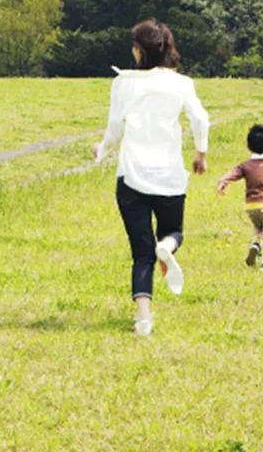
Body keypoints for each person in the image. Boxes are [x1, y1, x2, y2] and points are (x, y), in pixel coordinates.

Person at [94, 19, 210, 337]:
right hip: (170, 176)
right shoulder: (182, 83)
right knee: (173, 232)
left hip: (132, 177)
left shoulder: (123, 83)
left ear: (139, 50)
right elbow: (200, 117)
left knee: (140, 254)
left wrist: (101, 151)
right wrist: (201, 153)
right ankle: (168, 247)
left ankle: (144, 321)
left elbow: (114, 128)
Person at [217, 123, 263, 272]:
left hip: (252, 207)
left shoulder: (245, 165)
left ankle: (256, 244)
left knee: (260, 229)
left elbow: (232, 173)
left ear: (249, 148)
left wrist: (223, 182)